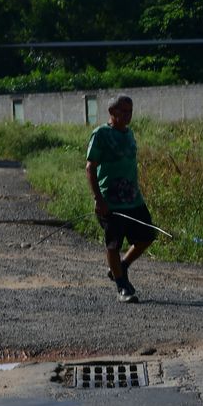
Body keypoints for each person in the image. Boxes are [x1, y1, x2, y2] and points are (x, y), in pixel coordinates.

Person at [85, 95, 155, 304]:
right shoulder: (101, 134)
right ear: (112, 112)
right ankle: (122, 286)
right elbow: (90, 168)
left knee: (147, 236)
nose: (128, 115)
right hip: (110, 200)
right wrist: (99, 199)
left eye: (130, 111)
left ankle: (121, 266)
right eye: (123, 111)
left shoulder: (129, 133)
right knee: (114, 243)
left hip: (133, 198)